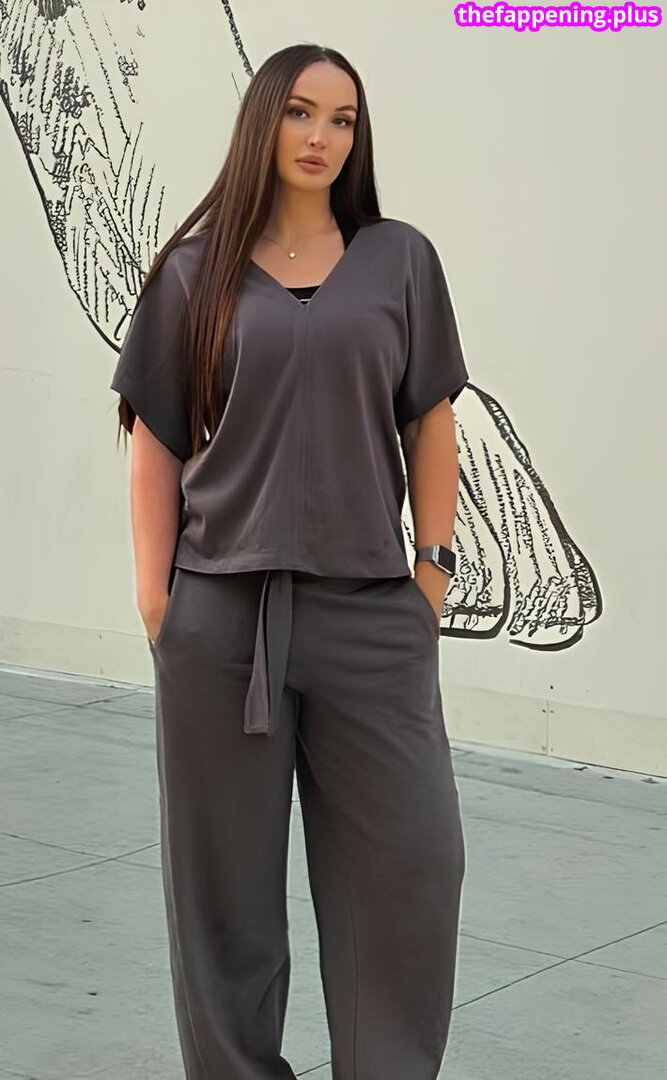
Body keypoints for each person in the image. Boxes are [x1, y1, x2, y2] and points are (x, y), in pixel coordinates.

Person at [110, 41, 468, 1080]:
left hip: (372, 616)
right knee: (223, 898)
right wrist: (158, 605)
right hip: (222, 621)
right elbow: (155, 442)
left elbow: (431, 418)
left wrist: (430, 576)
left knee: (411, 872)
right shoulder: (195, 272)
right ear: (263, 120)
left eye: (342, 119)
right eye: (301, 112)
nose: (321, 137)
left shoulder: (399, 261)